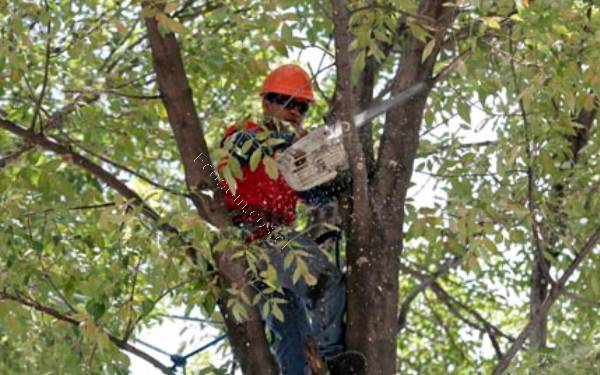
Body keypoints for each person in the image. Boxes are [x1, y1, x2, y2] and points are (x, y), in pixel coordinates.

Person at [217, 64, 362, 374]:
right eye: (288, 102)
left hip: (270, 250)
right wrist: (297, 147)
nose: (296, 111)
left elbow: (313, 196)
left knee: (292, 331)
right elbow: (245, 148)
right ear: (266, 102)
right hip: (256, 234)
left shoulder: (293, 160)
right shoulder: (243, 134)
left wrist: (333, 172)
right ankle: (332, 357)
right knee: (324, 281)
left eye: (302, 106)